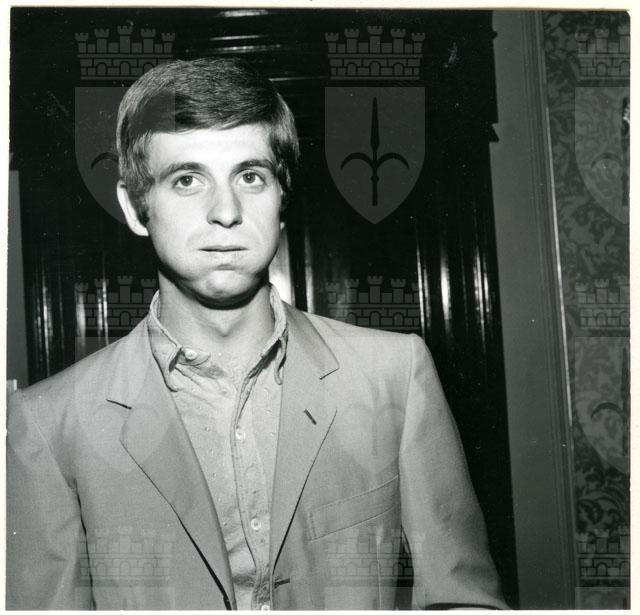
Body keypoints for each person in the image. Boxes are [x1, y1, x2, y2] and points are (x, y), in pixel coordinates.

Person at [7, 57, 506, 610]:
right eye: (187, 180)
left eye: (250, 176)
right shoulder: (49, 423)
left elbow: (461, 599)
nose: (226, 211)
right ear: (134, 206)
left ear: (281, 197)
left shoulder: (394, 374)